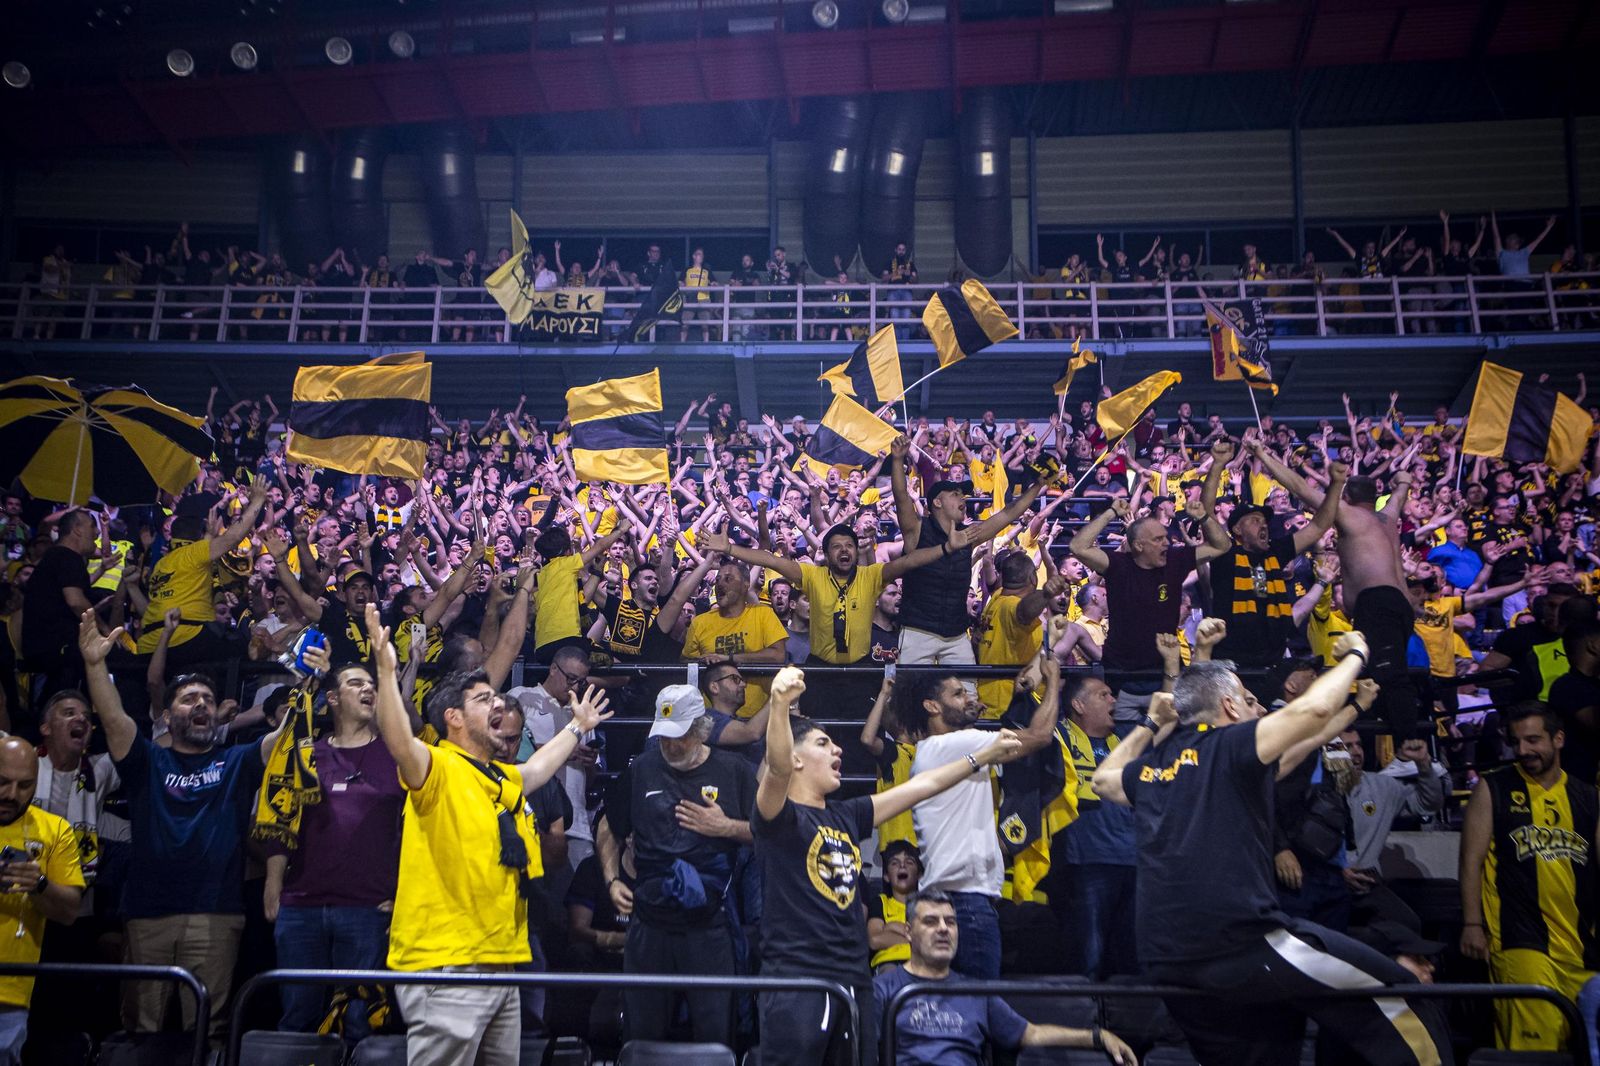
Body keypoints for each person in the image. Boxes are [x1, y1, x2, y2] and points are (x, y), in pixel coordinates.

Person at [1092, 636, 1454, 1066]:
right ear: (1229, 707)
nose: (1261, 709)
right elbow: (1312, 711)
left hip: (1167, 958)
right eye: (1249, 701)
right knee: (1402, 991)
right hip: (1239, 943)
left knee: (1268, 1045)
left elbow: (1103, 780)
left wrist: (1151, 722)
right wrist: (1356, 654)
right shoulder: (1231, 745)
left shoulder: (1156, 768)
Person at [370, 604, 613, 1065]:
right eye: (484, 700)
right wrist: (386, 672)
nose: (498, 703)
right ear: (454, 718)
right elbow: (399, 741)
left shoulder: (499, 775)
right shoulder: (437, 766)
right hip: (449, 964)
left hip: (501, 961)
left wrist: (577, 726)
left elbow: (537, 769)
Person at [752, 666, 1024, 1066]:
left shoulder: (847, 815)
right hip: (799, 978)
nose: (838, 750)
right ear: (795, 758)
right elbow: (775, 768)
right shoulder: (779, 817)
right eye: (824, 743)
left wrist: (982, 756)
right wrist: (779, 704)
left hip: (854, 977)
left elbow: (922, 786)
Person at [77, 610, 290, 1049]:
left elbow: (283, 736)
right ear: (168, 713)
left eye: (208, 699)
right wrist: (95, 664)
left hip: (216, 913)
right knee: (141, 1031)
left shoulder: (235, 761)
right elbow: (114, 719)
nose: (201, 705)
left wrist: (311, 681)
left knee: (208, 1033)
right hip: (148, 913)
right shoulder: (147, 760)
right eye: (189, 698)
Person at [594, 684, 756, 1046]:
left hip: (709, 922)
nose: (671, 745)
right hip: (649, 920)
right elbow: (609, 825)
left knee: (715, 1034)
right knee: (642, 1033)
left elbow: (770, 834)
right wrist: (611, 879)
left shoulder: (735, 770)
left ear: (702, 729)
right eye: (664, 735)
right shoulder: (643, 767)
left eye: (680, 735)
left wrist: (726, 827)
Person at [264, 660, 404, 1042]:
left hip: (368, 907)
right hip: (301, 905)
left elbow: (417, 830)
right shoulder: (307, 752)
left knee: (359, 1023)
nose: (368, 689)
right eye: (356, 683)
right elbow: (281, 816)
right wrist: (273, 883)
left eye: (372, 684)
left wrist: (403, 893)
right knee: (297, 1019)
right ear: (332, 698)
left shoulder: (397, 754)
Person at [895, 663, 1063, 979]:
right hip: (966, 902)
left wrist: (1019, 696)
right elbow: (1039, 736)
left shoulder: (938, 750)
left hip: (950, 899)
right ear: (932, 706)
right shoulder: (954, 745)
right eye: (958, 694)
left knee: (955, 1002)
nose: (969, 699)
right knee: (978, 999)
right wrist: (1052, 679)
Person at [1249, 438, 1426, 734]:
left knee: (1390, 676)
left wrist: (1262, 456)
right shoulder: (1388, 516)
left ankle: (1411, 748)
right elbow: (1401, 490)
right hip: (1398, 605)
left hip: (1379, 604)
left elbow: (1299, 487)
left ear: (1347, 495)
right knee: (1379, 675)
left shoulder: (1347, 513)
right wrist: (1403, 480)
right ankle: (1391, 744)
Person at [1459, 703, 1596, 1051]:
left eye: (1533, 740)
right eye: (1516, 741)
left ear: (1558, 739)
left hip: (1582, 945)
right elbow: (1470, 861)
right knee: (1535, 1050)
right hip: (1520, 940)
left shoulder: (1587, 797)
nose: (1523, 750)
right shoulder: (1494, 788)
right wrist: (1472, 924)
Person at [873, 889, 1135, 1066]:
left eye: (950, 922)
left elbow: (1030, 1034)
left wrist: (1098, 1037)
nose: (943, 929)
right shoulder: (884, 989)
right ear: (908, 932)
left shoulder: (976, 992)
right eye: (931, 921)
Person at [889, 436, 1050, 671]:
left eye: (962, 494)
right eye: (955, 494)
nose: (962, 498)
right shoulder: (917, 530)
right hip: (917, 632)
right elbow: (901, 496)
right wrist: (897, 459)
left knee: (967, 692)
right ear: (937, 502)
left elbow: (1009, 513)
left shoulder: (968, 535)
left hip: (956, 635)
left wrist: (1038, 485)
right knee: (912, 689)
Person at [1069, 496, 1228, 721]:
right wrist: (1111, 513)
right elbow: (1077, 546)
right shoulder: (1117, 564)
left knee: (1168, 737)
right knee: (1123, 740)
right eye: (1158, 539)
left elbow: (1222, 545)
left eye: (1165, 537)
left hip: (1166, 673)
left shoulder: (1175, 560)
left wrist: (1203, 517)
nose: (1166, 543)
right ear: (1138, 545)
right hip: (1121, 679)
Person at [1210, 441, 1343, 670]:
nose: (1263, 525)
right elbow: (1206, 514)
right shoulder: (1225, 554)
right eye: (1255, 520)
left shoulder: (1273, 554)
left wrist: (1336, 485)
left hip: (1272, 661)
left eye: (1264, 521)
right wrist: (1217, 465)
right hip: (1232, 665)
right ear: (1237, 530)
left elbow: (1318, 525)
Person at [1053, 673, 1138, 979]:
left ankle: (1128, 1011)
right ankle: (1086, 1008)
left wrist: (1170, 666)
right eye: (1103, 695)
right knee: (1089, 955)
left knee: (1131, 956)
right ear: (1078, 705)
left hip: (1134, 860)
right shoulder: (1060, 738)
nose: (1113, 700)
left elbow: (1163, 725)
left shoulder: (1126, 740)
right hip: (1087, 861)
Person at [134, 475, 268, 663]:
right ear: (197, 536)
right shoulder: (195, 553)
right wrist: (259, 500)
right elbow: (233, 537)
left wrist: (210, 534)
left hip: (149, 644)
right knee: (243, 650)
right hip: (186, 638)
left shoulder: (162, 564)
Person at [680, 559, 786, 720]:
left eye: (728, 579)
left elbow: (778, 655)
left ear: (745, 585)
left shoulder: (763, 614)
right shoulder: (700, 622)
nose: (720, 584)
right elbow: (686, 662)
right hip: (712, 720)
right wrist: (701, 661)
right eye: (718, 580)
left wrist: (728, 659)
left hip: (756, 718)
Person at [975, 551, 1068, 718]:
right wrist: (1046, 593)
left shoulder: (997, 597)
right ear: (1033, 578)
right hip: (1009, 707)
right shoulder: (1011, 605)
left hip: (991, 698)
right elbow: (1023, 612)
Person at [21, 510, 97, 702]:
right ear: (77, 529)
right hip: (58, 652)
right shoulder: (67, 557)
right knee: (59, 704)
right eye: (92, 526)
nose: (96, 532)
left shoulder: (52, 557)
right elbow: (75, 601)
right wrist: (102, 629)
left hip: (43, 650)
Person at [866, 840, 921, 974]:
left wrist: (890, 927)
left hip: (922, 964)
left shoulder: (926, 904)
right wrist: (914, 940)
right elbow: (875, 940)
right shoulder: (881, 902)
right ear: (886, 876)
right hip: (889, 964)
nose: (902, 866)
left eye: (909, 862)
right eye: (894, 863)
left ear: (919, 874)